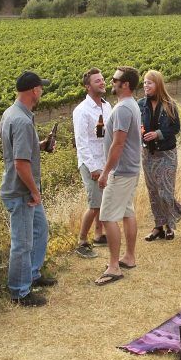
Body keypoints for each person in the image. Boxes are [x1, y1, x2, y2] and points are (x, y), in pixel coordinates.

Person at [0, 71, 56, 307]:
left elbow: (18, 151)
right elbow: (20, 164)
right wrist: (35, 191)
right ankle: (20, 292)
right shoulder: (21, 121)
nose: (42, 91)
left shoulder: (12, 113)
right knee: (22, 243)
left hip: (23, 189)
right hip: (22, 191)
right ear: (34, 90)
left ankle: (32, 274)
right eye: (40, 88)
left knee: (40, 229)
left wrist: (39, 145)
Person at [94, 66, 142, 286]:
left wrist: (105, 172)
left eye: (115, 80)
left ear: (126, 85)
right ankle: (129, 257)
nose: (111, 82)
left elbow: (118, 144)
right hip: (131, 168)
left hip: (121, 171)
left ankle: (114, 266)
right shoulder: (131, 105)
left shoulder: (123, 109)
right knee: (126, 211)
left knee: (107, 216)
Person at [138, 70, 181, 241]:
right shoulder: (140, 104)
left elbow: (175, 128)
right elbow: (136, 126)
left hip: (167, 154)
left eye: (149, 82)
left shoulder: (169, 104)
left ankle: (170, 225)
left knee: (165, 191)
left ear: (158, 84)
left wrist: (158, 134)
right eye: (144, 82)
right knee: (153, 192)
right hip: (148, 154)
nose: (145, 85)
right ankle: (158, 226)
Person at [72, 67, 112, 259]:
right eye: (97, 81)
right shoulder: (81, 111)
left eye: (103, 79)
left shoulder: (107, 106)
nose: (102, 82)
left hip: (104, 161)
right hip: (91, 163)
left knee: (102, 200)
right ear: (87, 87)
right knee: (95, 203)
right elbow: (81, 143)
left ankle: (98, 234)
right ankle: (82, 241)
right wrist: (93, 167)